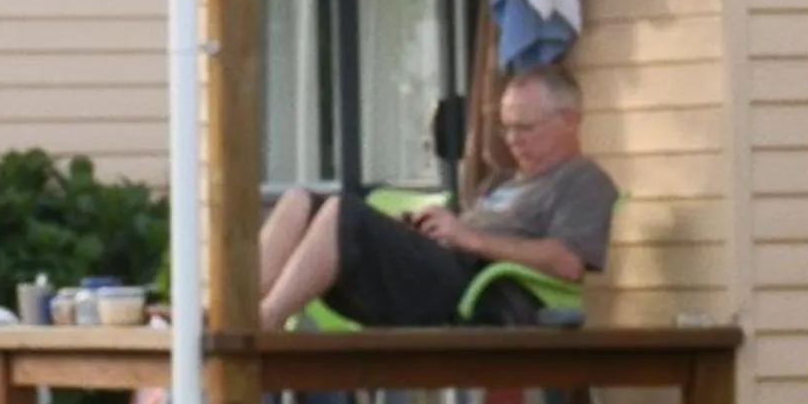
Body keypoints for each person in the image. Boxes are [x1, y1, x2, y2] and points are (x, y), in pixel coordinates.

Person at [257, 66, 616, 331]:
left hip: (474, 298)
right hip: (436, 273)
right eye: (506, 127)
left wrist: (473, 240)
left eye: (525, 127)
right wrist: (418, 231)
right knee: (299, 201)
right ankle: (238, 313)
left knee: (342, 213)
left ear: (569, 120)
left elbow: (568, 263)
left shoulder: (582, 180)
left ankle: (265, 322)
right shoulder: (501, 182)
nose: (512, 140)